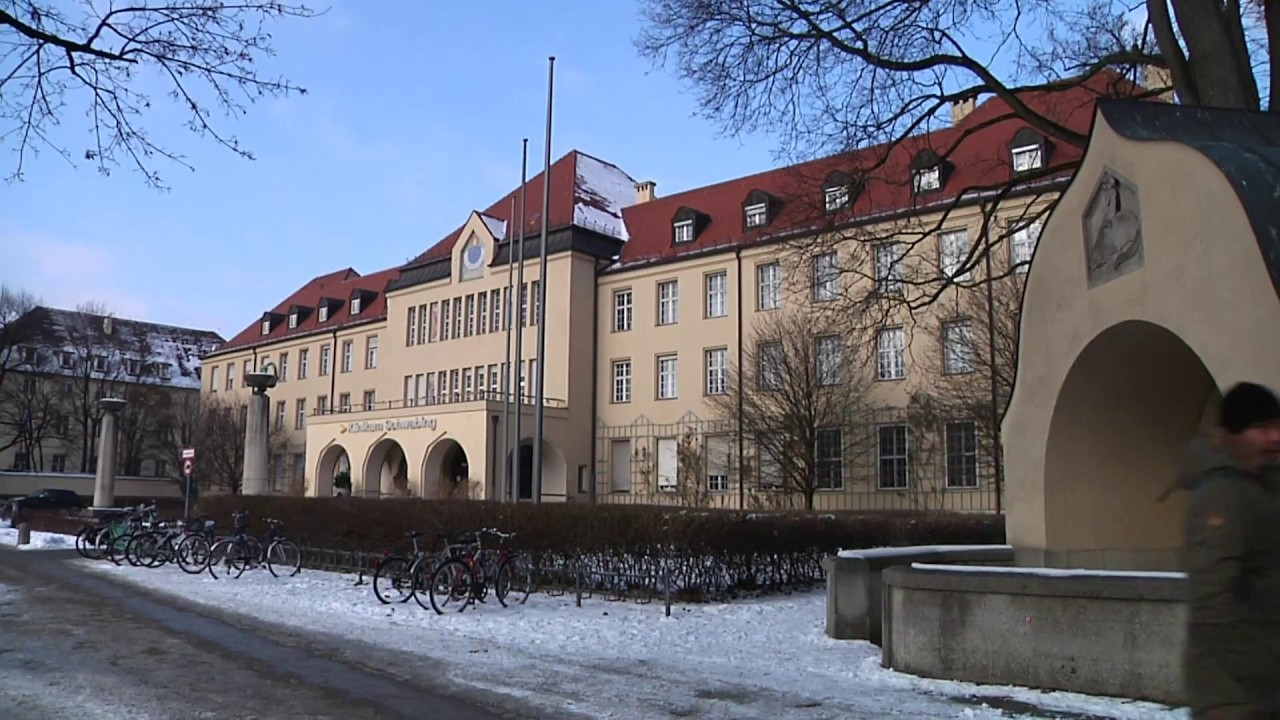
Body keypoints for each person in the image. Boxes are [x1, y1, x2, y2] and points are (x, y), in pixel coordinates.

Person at [1179, 382, 1280, 719]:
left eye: (1277, 426)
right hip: (1233, 696)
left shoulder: (1261, 485)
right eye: (1261, 428)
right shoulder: (1221, 494)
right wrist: (1260, 670)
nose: (1274, 437)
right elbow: (1211, 599)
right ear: (1233, 435)